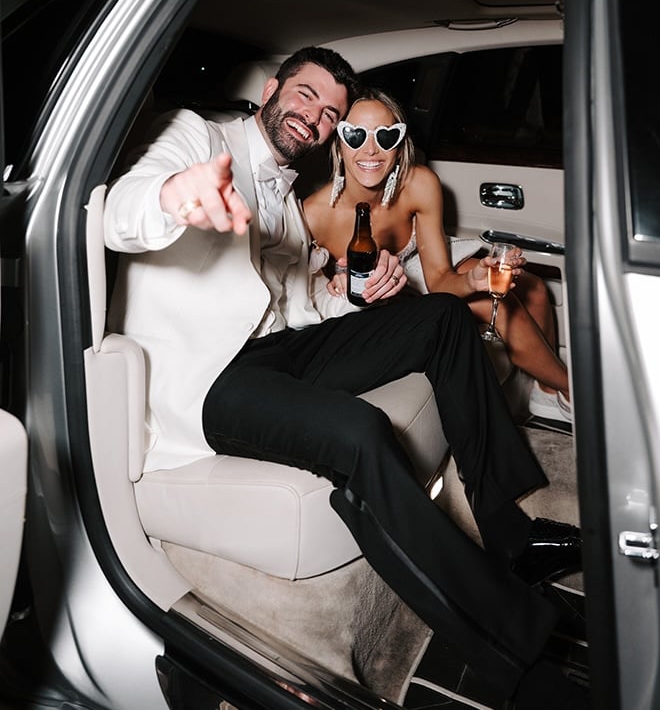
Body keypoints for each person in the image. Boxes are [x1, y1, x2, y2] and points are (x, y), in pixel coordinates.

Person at [104, 47, 586, 709]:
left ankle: (512, 534)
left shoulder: (287, 196)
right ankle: (510, 647)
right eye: (304, 96)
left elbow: (299, 301)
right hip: (210, 380)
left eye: (329, 111)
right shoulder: (198, 135)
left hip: (283, 348)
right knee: (361, 431)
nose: (315, 116)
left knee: (443, 317)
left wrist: (358, 294)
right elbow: (120, 212)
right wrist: (171, 195)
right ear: (272, 89)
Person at [303, 87, 572, 432]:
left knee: (531, 287)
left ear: (400, 145)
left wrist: (473, 281)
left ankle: (548, 395)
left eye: (386, 137)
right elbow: (308, 296)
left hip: (419, 265)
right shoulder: (314, 214)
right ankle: (575, 392)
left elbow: (440, 279)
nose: (370, 149)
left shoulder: (420, 183)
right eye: (355, 136)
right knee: (501, 306)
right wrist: (333, 283)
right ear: (339, 142)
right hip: (378, 296)